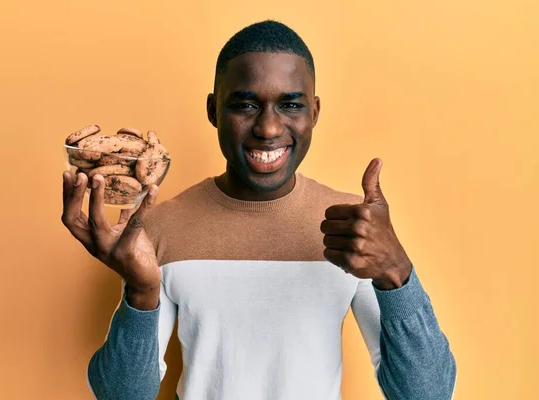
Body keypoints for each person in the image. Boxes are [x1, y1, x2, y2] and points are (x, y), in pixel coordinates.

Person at [62, 20, 456, 400]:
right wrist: (141, 291)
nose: (268, 128)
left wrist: (396, 271)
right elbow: (121, 395)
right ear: (214, 110)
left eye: (290, 105)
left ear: (314, 113)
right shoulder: (158, 227)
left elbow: (427, 393)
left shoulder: (354, 226)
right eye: (246, 105)